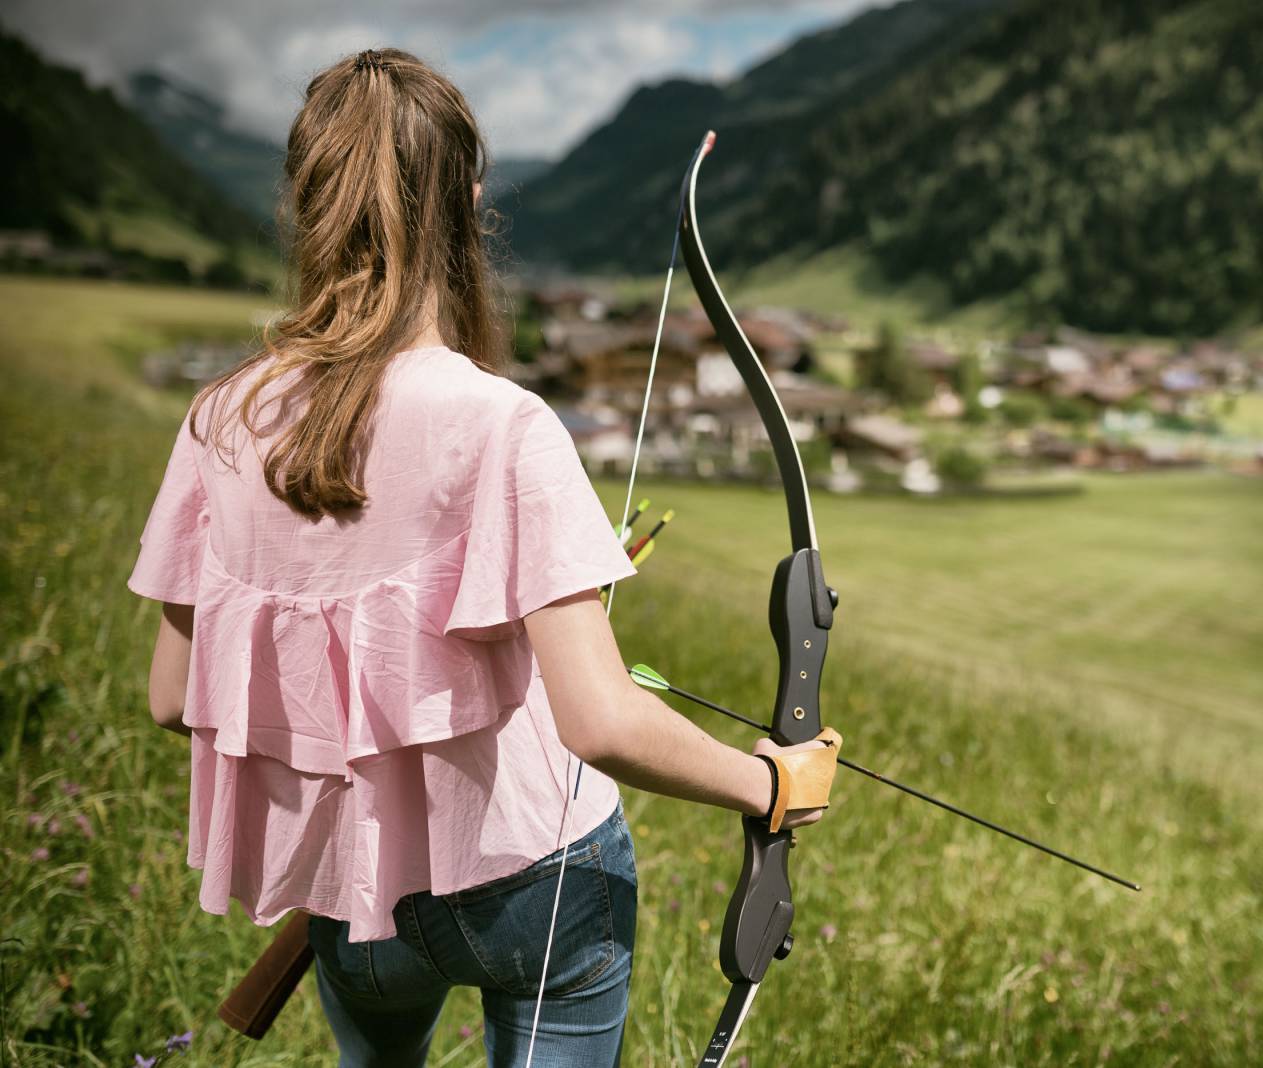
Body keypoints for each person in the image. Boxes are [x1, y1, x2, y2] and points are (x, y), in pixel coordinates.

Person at [127, 48, 837, 1068]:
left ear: (302, 200)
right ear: (466, 201)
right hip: (530, 880)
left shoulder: (218, 421)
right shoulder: (502, 422)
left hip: (353, 894)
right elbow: (598, 721)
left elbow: (170, 698)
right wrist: (770, 785)